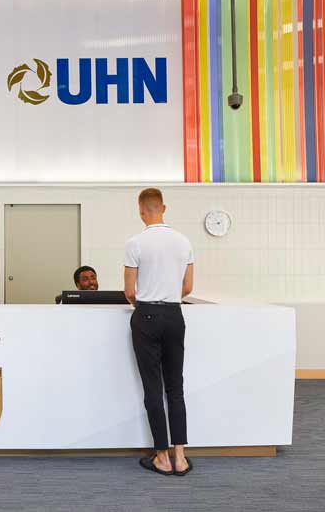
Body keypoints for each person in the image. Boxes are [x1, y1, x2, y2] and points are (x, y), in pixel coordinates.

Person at [124, 188, 194, 477]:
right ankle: (181, 457)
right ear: (164, 207)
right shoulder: (183, 241)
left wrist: (145, 303)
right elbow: (188, 288)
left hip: (147, 315)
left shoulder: (135, 242)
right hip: (175, 315)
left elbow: (130, 291)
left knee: (153, 388)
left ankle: (161, 457)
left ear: (141, 211)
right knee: (175, 388)